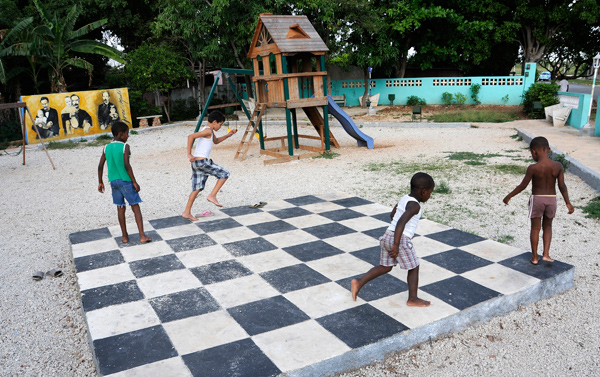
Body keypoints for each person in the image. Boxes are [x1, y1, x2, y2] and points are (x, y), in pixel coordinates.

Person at [351, 172, 435, 307]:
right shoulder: (415, 206)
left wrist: (397, 237)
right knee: (414, 267)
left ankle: (359, 282)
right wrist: (397, 244)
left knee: (385, 267)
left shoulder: (405, 198)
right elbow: (401, 222)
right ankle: (412, 299)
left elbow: (393, 215)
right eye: (430, 192)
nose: (430, 196)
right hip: (399, 239)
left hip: (387, 235)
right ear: (423, 192)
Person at [503, 136, 574, 265]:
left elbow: (522, 186)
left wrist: (509, 196)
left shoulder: (533, 168)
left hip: (537, 199)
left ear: (534, 151)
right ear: (549, 150)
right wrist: (568, 202)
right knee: (548, 226)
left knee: (535, 228)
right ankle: (546, 254)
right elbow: (562, 186)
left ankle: (535, 257)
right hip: (552, 200)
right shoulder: (557, 166)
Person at [98, 121, 151, 244]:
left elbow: (100, 166)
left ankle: (124, 236)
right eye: (127, 134)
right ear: (121, 134)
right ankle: (142, 235)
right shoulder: (124, 147)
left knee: (120, 208)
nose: (128, 136)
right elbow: (127, 165)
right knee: (135, 207)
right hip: (125, 181)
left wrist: (100, 182)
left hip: (113, 182)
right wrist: (135, 182)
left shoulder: (106, 147)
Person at [182, 110, 237, 221]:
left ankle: (186, 212)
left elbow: (216, 141)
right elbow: (190, 136)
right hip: (202, 163)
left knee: (197, 189)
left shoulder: (209, 131)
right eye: (220, 125)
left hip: (196, 163)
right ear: (215, 122)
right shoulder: (208, 131)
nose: (220, 127)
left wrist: (229, 135)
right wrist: (188, 153)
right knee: (225, 174)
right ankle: (212, 195)